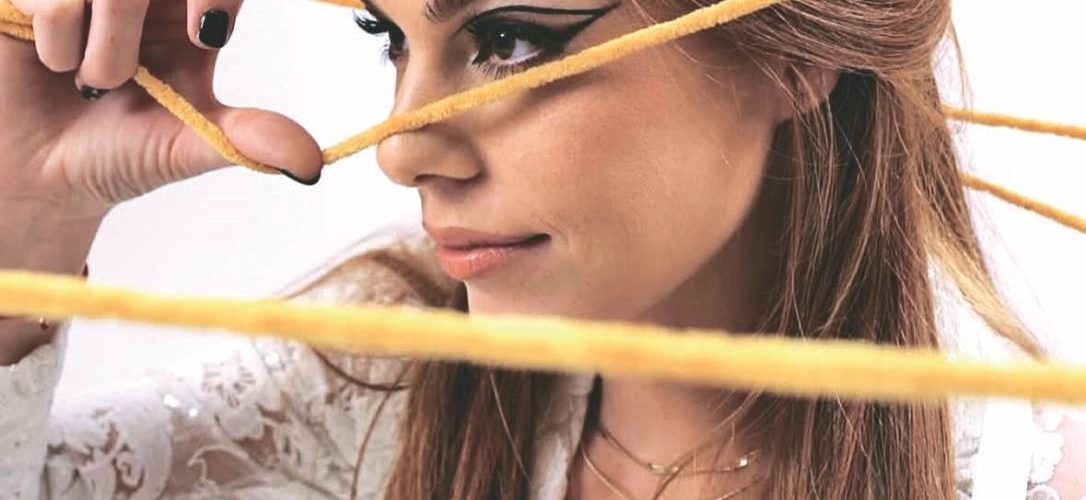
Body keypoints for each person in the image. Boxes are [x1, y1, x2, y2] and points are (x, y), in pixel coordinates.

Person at [0, 0, 1083, 498]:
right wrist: (28, 216)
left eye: (507, 38)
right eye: (390, 39)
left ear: (791, 55)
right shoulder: (375, 388)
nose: (404, 151)